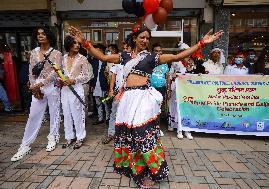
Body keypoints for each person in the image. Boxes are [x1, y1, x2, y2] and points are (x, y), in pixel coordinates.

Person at [68, 25, 223, 188]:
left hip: (143, 98)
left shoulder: (152, 57)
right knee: (129, 133)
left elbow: (177, 56)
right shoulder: (124, 56)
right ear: (134, 38)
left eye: (148, 38)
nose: (145, 40)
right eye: (142, 37)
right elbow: (103, 57)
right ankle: (134, 167)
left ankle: (152, 170)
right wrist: (85, 42)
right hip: (128, 99)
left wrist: (201, 44)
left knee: (142, 133)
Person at [11, 26, 62, 162]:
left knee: (54, 113)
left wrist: (41, 83)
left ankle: (53, 137)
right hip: (37, 87)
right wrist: (34, 86)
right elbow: (31, 71)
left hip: (51, 86)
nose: (40, 36)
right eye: (38, 34)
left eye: (43, 34)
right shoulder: (33, 52)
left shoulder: (56, 53)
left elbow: (55, 72)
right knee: (33, 115)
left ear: (49, 36)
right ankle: (25, 144)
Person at [61, 35, 89, 149]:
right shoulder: (62, 58)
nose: (77, 45)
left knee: (78, 114)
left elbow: (86, 76)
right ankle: (69, 137)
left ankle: (80, 137)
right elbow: (59, 73)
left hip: (76, 88)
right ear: (69, 44)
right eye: (74, 43)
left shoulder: (82, 58)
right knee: (66, 114)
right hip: (64, 89)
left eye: (78, 43)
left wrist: (74, 80)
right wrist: (60, 80)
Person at [168, 43, 193, 139]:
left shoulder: (192, 62)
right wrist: (169, 88)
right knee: (176, 106)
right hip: (177, 87)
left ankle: (187, 129)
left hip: (188, 89)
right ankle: (176, 126)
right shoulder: (176, 62)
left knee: (187, 108)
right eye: (183, 51)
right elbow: (170, 75)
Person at [150, 43, 169, 137]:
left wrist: (168, 89)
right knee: (149, 109)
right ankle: (150, 129)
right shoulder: (149, 61)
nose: (158, 53)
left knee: (159, 110)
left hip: (161, 88)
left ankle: (157, 128)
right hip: (150, 89)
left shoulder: (165, 63)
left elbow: (167, 76)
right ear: (152, 52)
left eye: (159, 51)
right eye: (156, 51)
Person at [89, 44, 110, 124]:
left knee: (105, 102)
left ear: (102, 51)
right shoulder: (94, 60)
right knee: (98, 102)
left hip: (104, 85)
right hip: (95, 85)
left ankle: (108, 118)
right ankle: (100, 118)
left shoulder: (107, 60)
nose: (96, 52)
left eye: (97, 50)